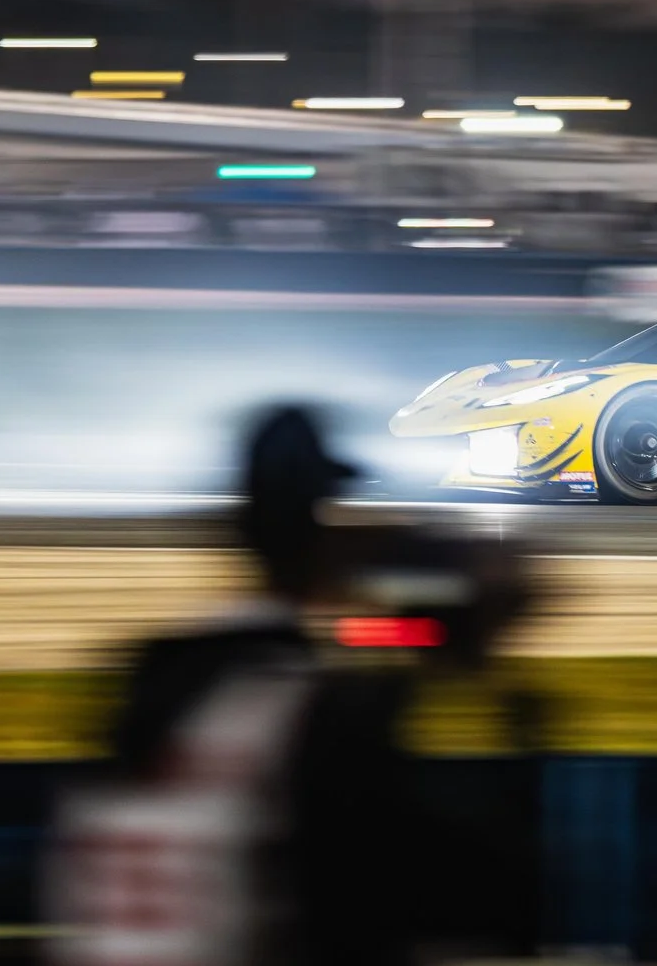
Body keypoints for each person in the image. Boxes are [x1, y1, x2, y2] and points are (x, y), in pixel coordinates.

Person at [48, 405, 543, 966]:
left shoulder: (148, 686)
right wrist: (485, 679)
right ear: (325, 533)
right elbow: (492, 903)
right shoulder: (318, 712)